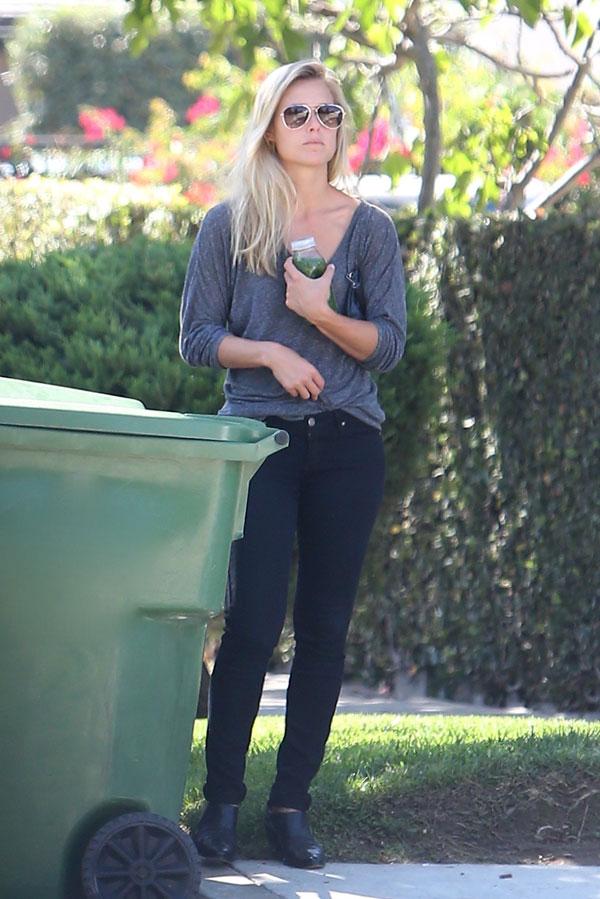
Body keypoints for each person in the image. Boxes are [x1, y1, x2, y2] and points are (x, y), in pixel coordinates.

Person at [179, 58, 406, 869]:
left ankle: (290, 807)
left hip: (349, 444)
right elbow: (197, 338)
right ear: (271, 125)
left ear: (341, 129)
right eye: (298, 114)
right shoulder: (231, 225)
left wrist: (320, 312)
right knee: (249, 625)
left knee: (323, 629)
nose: (315, 128)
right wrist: (275, 348)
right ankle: (222, 804)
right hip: (261, 444)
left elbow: (389, 345)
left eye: (329, 115)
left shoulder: (371, 229)